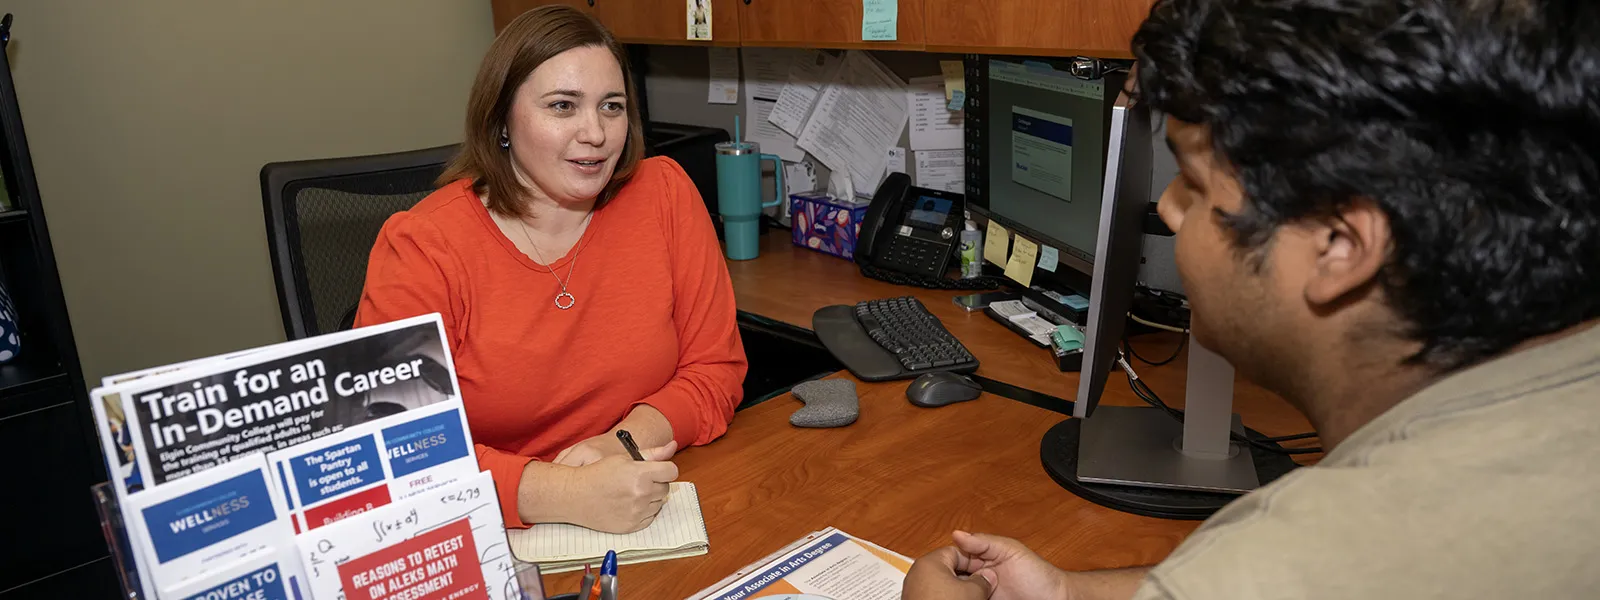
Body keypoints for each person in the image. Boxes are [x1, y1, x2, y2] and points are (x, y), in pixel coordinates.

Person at [904, 0, 1600, 597]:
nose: (1171, 210)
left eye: (1198, 185)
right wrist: (1066, 590)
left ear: (1338, 245)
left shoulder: (1311, 557)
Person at [355, 5, 747, 534]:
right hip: (490, 526)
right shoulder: (422, 247)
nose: (596, 133)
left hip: (641, 496)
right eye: (562, 106)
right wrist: (561, 492)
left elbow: (715, 371)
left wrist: (623, 442)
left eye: (612, 107)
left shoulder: (663, 193)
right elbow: (389, 451)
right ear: (502, 121)